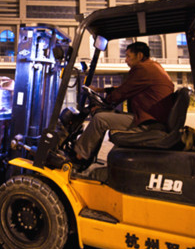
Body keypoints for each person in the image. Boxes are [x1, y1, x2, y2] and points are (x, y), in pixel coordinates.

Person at [66, 41, 174, 171]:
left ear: (139, 55)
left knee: (101, 119)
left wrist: (105, 103)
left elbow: (122, 92)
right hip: (149, 118)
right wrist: (102, 91)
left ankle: (79, 157)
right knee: (103, 116)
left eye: (128, 56)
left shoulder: (142, 69)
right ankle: (84, 155)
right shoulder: (152, 67)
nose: (126, 60)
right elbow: (126, 88)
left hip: (147, 122)